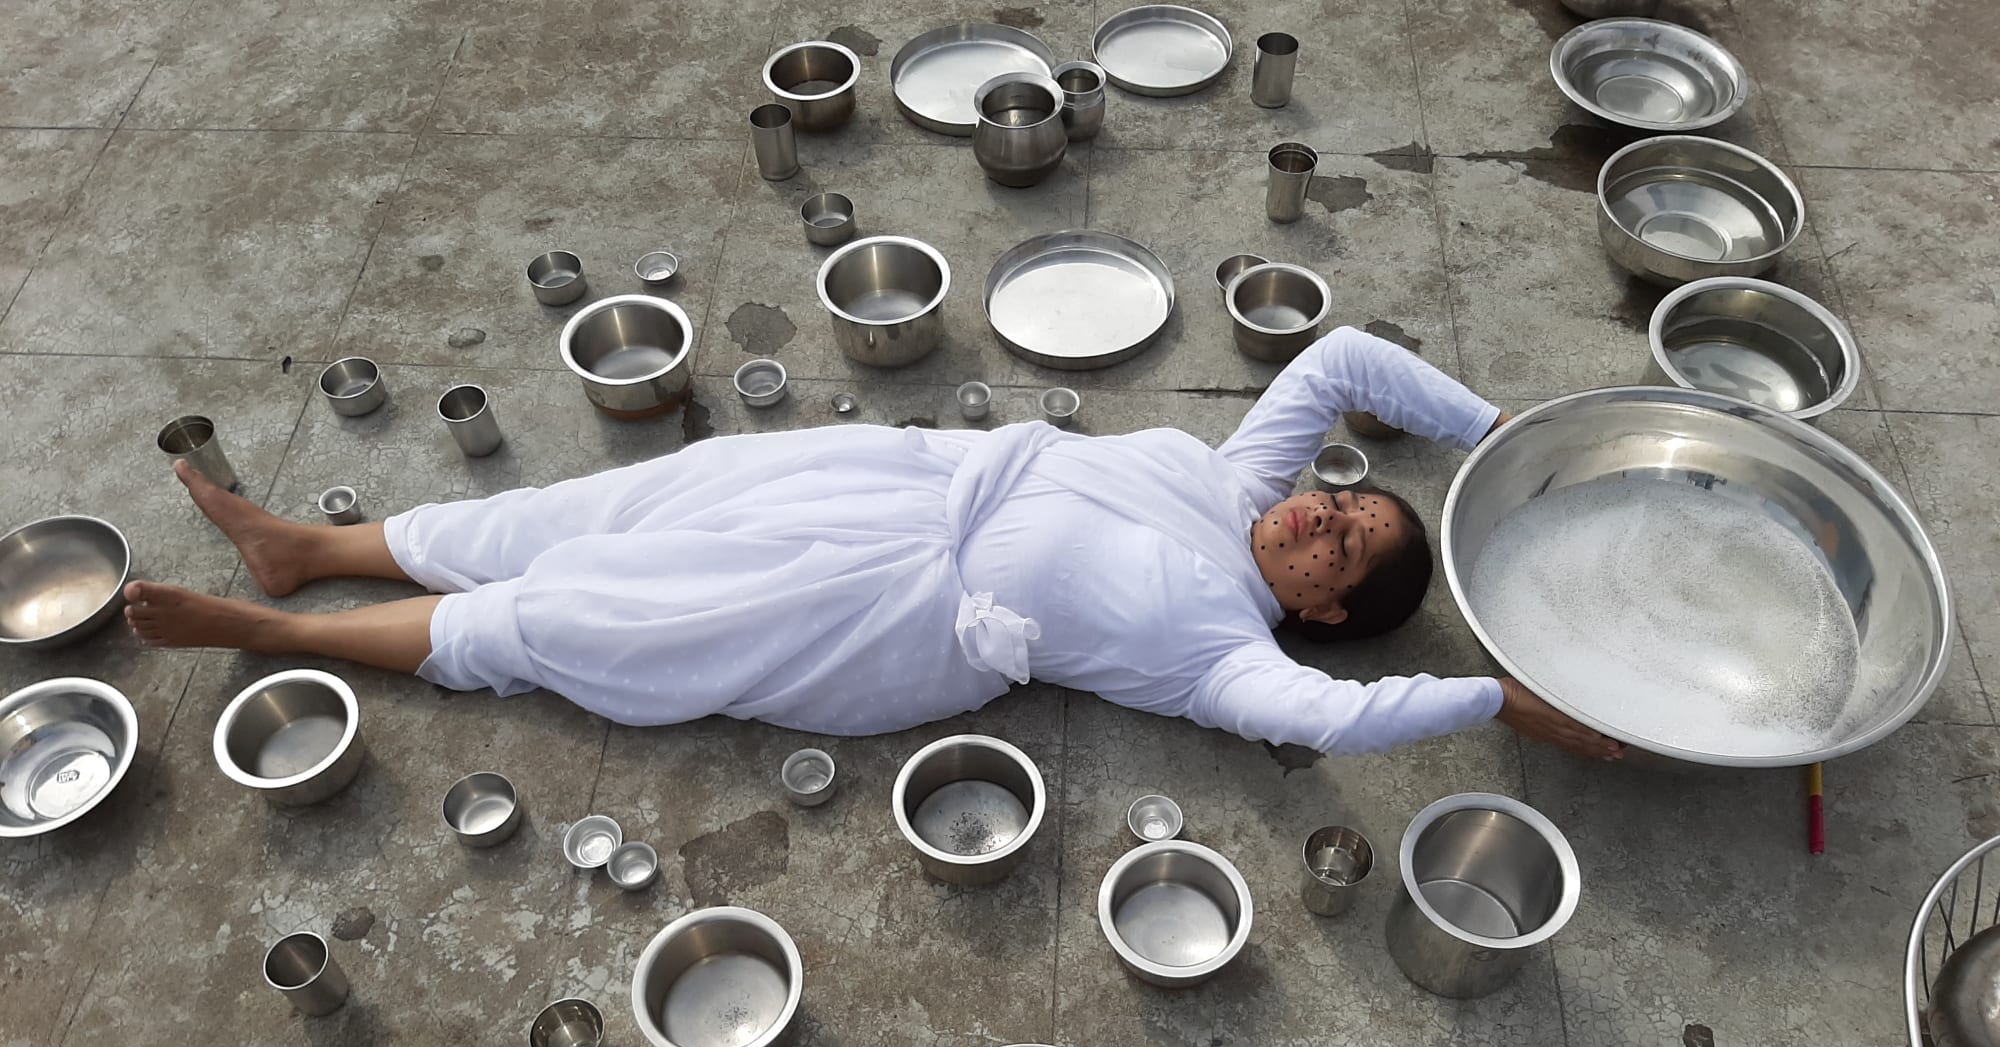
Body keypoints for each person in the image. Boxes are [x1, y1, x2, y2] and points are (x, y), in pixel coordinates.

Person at [125, 326, 1620, 760]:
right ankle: (312, 550)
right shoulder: (1236, 481)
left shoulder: (1229, 659)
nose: (1320, 514)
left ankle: (284, 633)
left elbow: (1343, 725)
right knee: (594, 510)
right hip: (892, 475)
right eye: (1343, 502)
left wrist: (1494, 697)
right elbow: (1343, 359)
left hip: (882, 610)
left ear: (1325, 614)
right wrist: (1504, 441)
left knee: (585, 617)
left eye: (1339, 546)